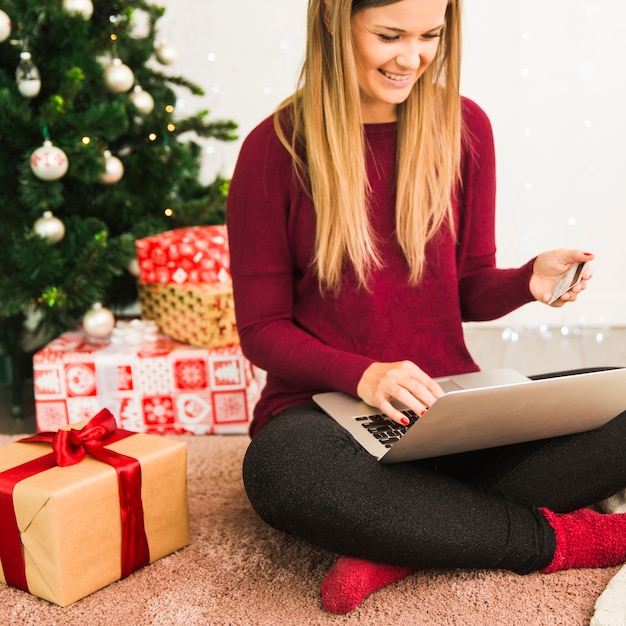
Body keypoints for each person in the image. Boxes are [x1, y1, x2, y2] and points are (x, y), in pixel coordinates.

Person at [226, 0, 626, 615]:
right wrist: (364, 374)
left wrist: (526, 281)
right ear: (335, 21)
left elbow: (465, 287)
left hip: (449, 405)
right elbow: (261, 330)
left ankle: (402, 542)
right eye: (389, 36)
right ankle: (555, 540)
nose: (411, 59)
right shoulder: (273, 149)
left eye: (430, 36)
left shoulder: (464, 127)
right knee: (281, 473)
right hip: (327, 417)